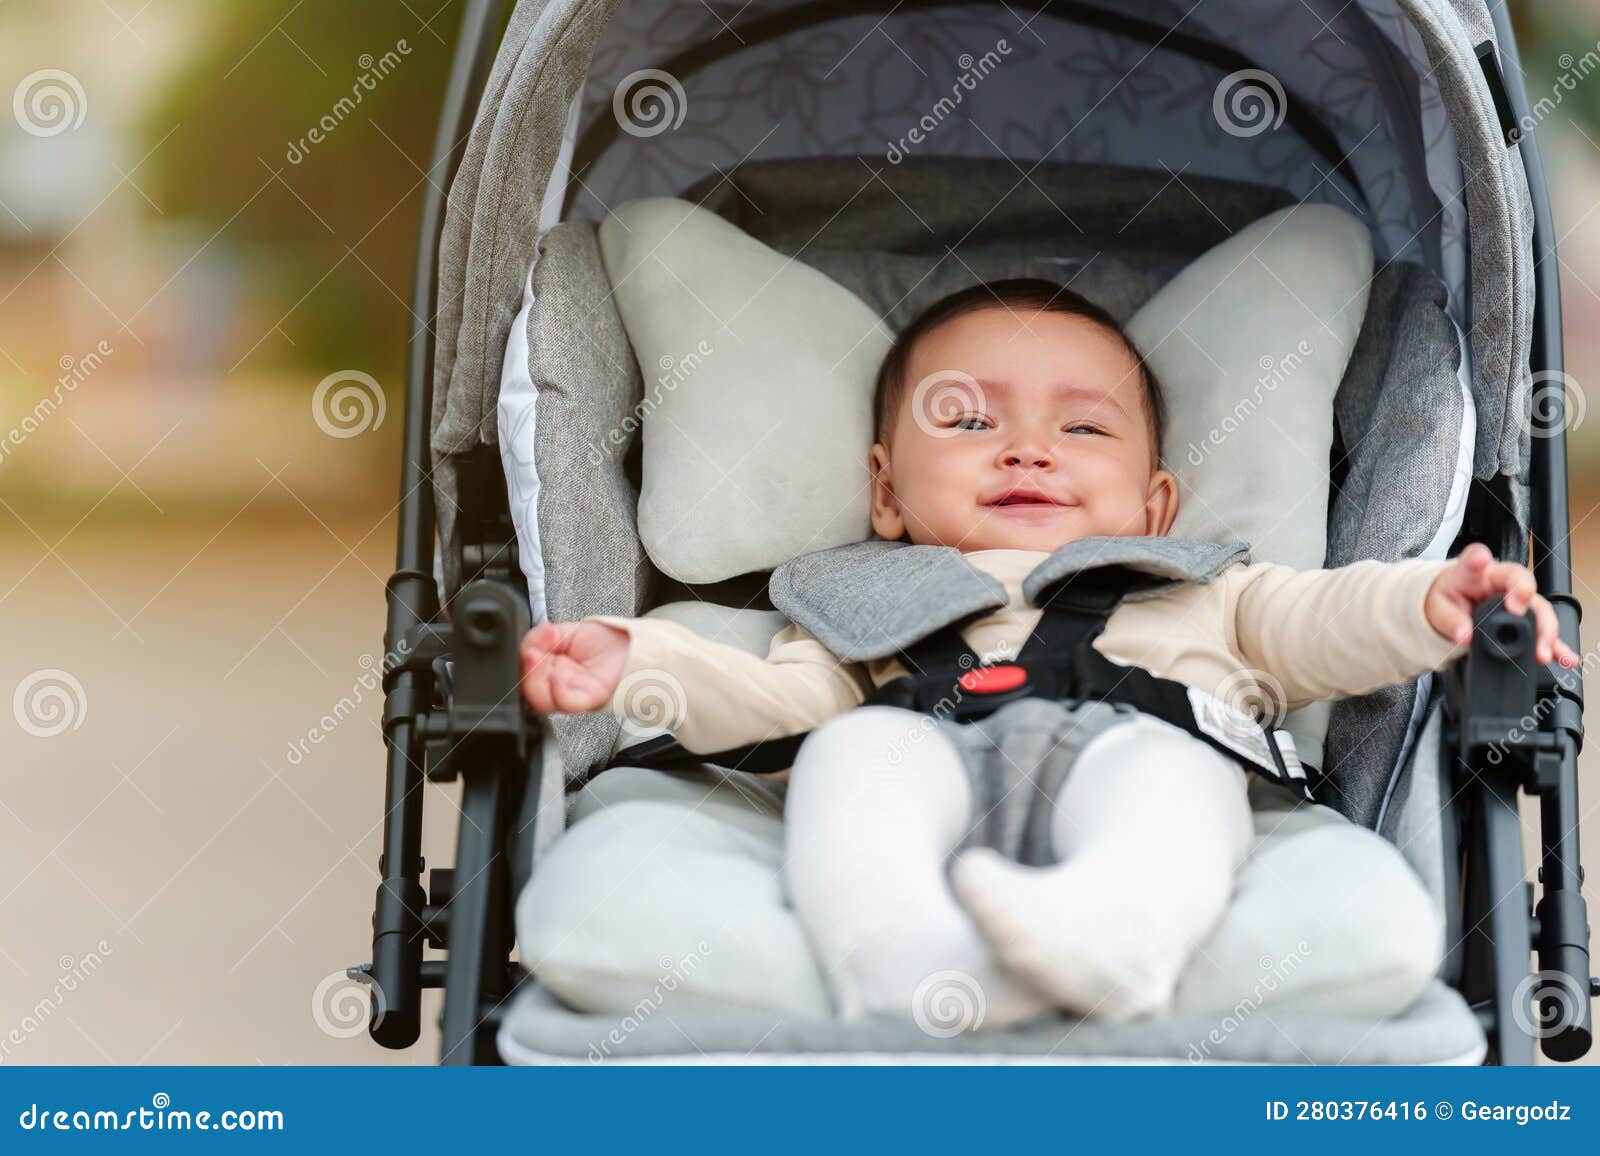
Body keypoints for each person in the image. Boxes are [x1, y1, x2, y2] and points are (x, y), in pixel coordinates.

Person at [520, 279, 1576, 1029]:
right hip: (919, 764)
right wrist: (637, 659)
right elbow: (765, 699)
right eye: (967, 417)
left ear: (1155, 502)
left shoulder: (1206, 587)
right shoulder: (851, 602)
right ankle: (906, 960)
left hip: (1141, 750)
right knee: (848, 759)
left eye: (1083, 431)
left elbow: (1324, 620)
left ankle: (1116, 934)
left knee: (1175, 780)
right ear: (884, 491)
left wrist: (1428, 598)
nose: (1027, 447)